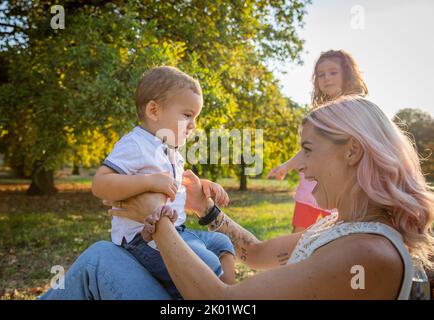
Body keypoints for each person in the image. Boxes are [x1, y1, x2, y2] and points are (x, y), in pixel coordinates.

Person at [40, 96, 434, 299]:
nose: (301, 166)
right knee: (100, 260)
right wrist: (205, 209)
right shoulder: (344, 226)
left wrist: (157, 220)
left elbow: (220, 300)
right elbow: (259, 254)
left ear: (352, 151)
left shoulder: (367, 253)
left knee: (99, 259)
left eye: (309, 150)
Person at [91, 66, 235, 299]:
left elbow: (172, 189)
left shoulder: (170, 150)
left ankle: (227, 297)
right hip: (143, 240)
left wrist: (203, 185)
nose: (193, 125)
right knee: (207, 264)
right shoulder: (135, 144)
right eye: (187, 115)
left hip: (177, 232)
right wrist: (148, 182)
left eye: (196, 117)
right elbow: (100, 184)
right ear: (154, 110)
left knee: (222, 243)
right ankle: (197, 293)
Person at [267, 50, 368, 232]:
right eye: (321, 75)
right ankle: (297, 260)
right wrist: (286, 166)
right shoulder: (319, 114)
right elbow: (308, 150)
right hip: (311, 185)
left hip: (339, 189)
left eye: (333, 72)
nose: (326, 78)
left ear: (348, 74)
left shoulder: (357, 112)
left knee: (336, 238)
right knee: (299, 237)